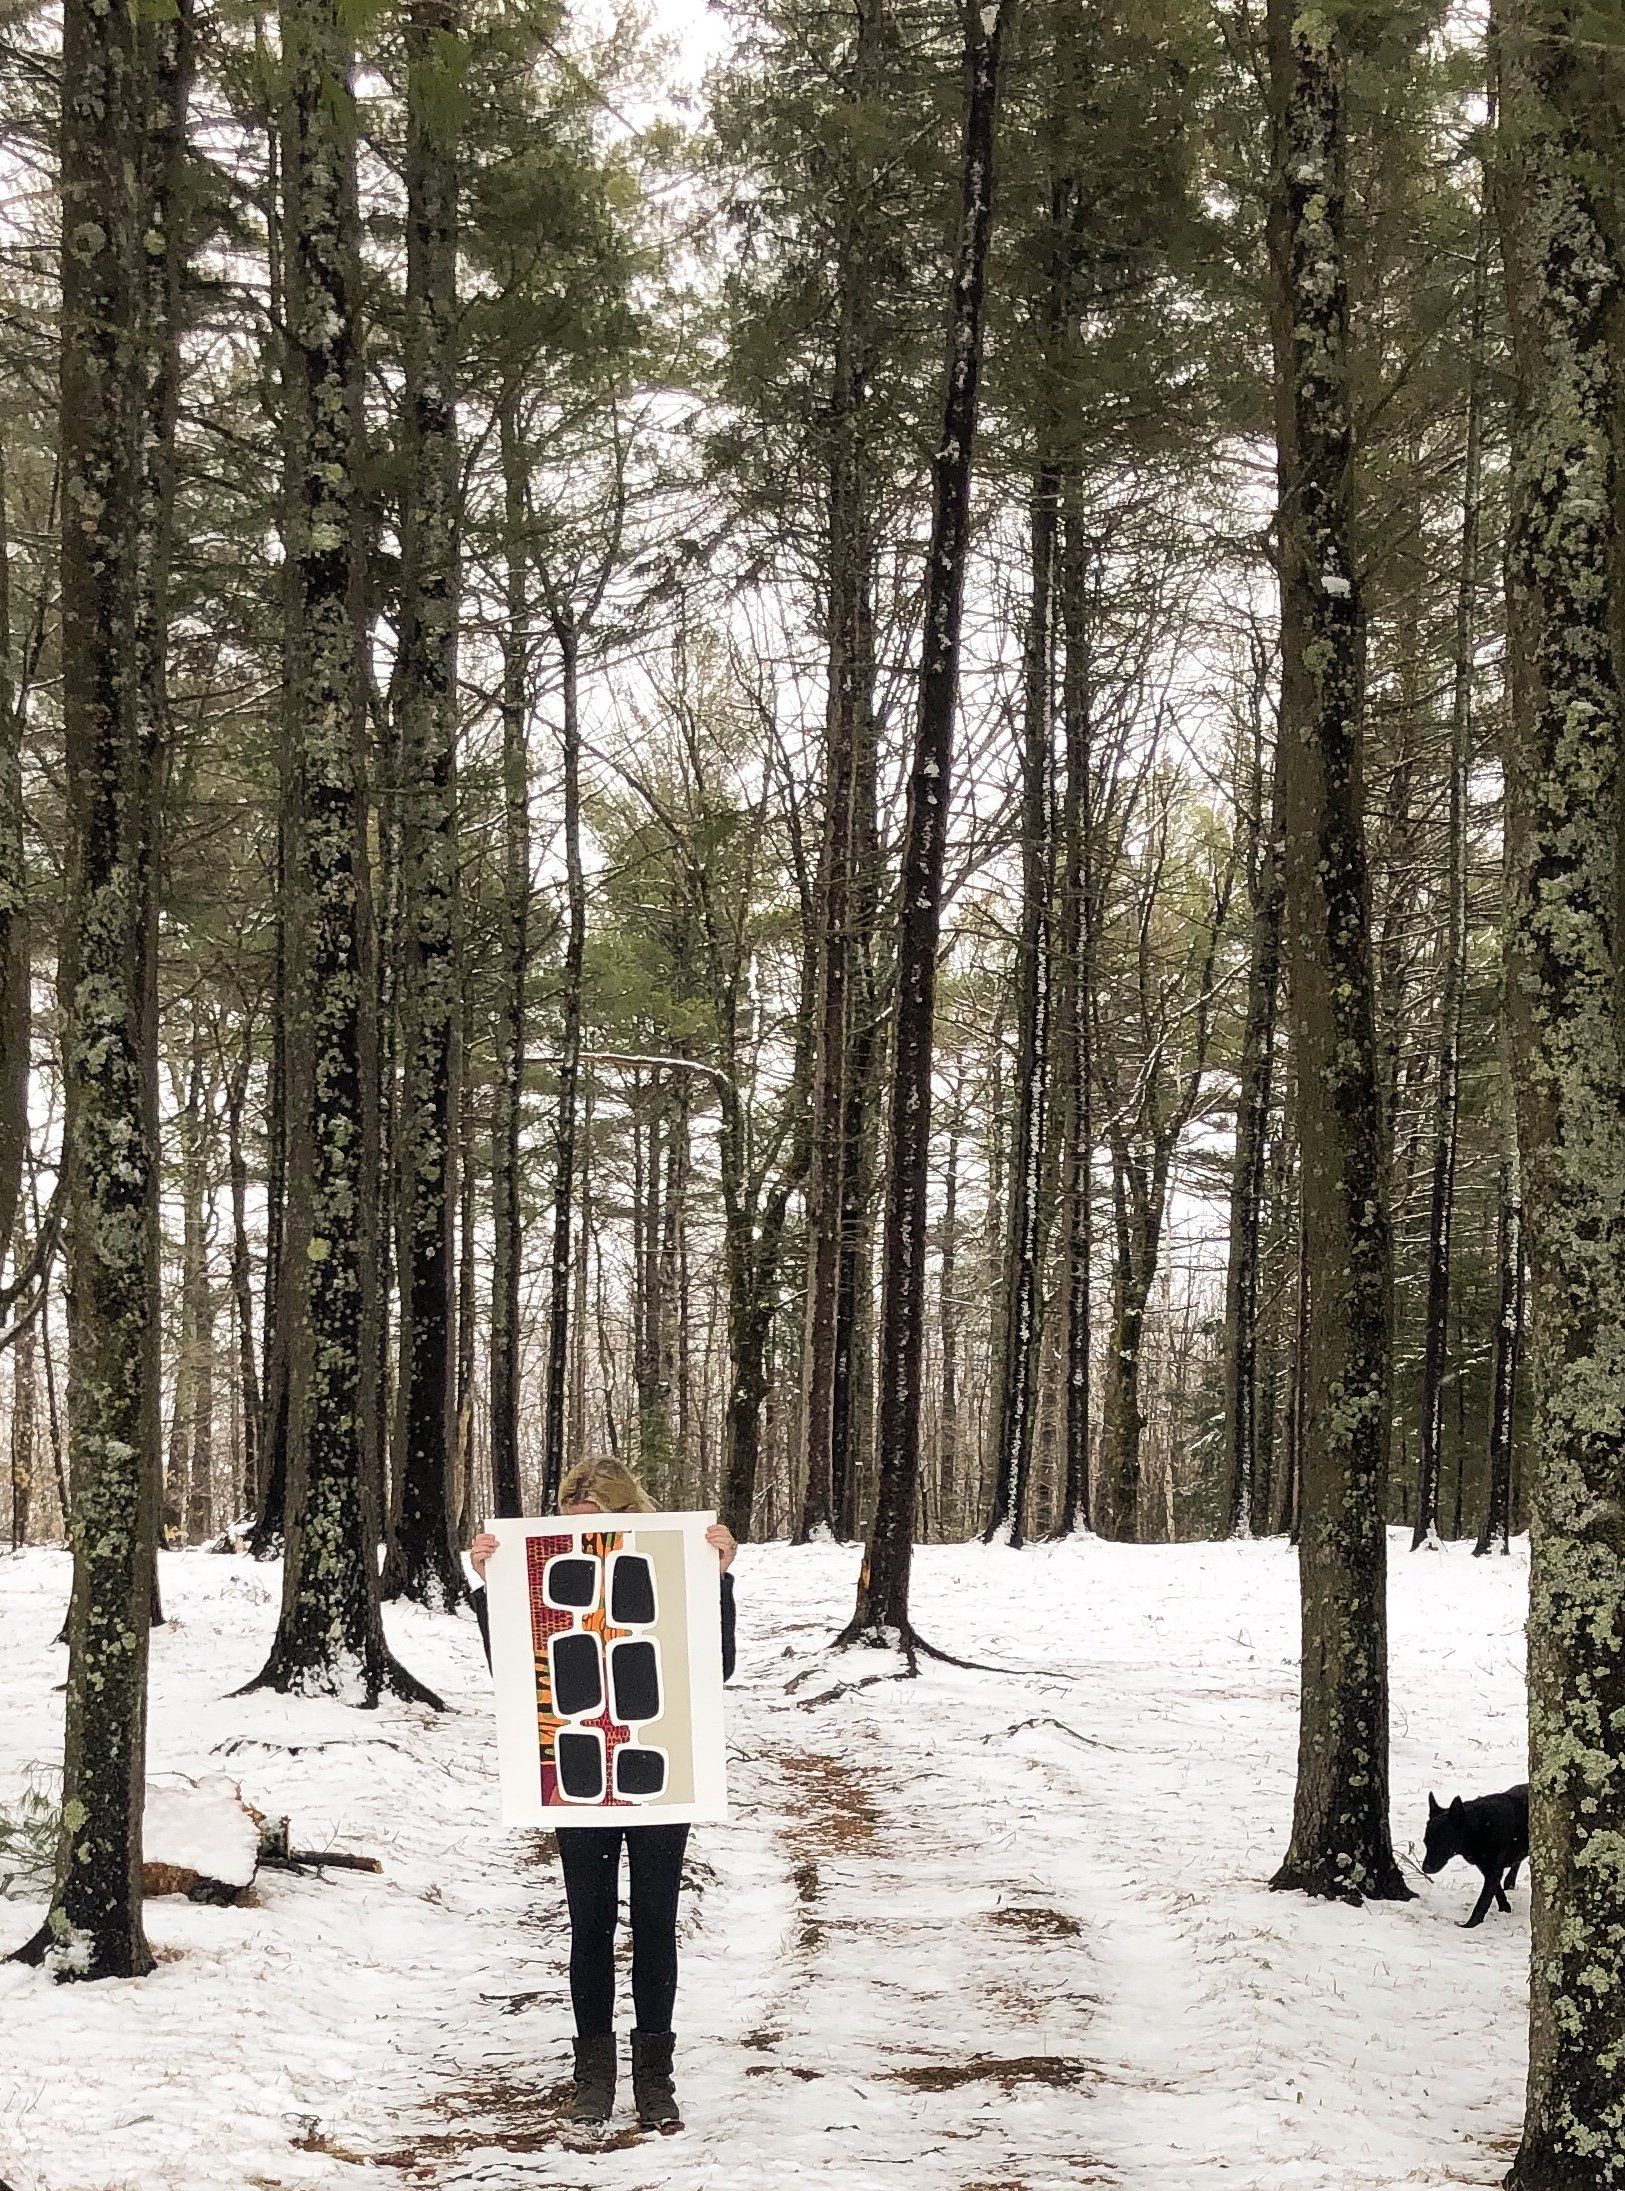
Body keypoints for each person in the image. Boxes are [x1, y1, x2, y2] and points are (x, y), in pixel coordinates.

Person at [468, 1457, 737, 2134]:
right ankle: (592, 2077)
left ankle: (655, 2079)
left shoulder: (668, 1570)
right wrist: (489, 1586)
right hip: (578, 1776)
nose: (582, 1539)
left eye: (598, 1524)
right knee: (588, 1927)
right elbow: (515, 1672)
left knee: (653, 1924)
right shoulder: (552, 1574)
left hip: (658, 1775)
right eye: (570, 1525)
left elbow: (718, 1664)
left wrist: (719, 1581)